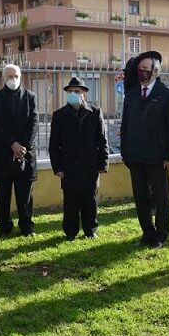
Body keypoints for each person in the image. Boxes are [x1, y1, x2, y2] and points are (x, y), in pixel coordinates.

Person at [120, 51, 169, 248]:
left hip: (158, 156)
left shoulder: (166, 94)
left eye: (146, 70)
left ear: (155, 71)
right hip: (135, 156)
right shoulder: (131, 95)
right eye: (140, 70)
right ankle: (147, 233)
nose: (142, 73)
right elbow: (125, 125)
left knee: (161, 197)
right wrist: (125, 151)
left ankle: (160, 235)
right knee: (140, 197)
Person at [48, 77, 109, 240]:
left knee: (90, 199)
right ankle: (70, 231)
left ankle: (90, 229)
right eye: (70, 92)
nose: (73, 94)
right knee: (71, 201)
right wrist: (58, 167)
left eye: (77, 91)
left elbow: (102, 140)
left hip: (90, 164)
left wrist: (103, 163)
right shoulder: (59, 115)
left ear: (84, 94)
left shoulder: (95, 113)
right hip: (68, 166)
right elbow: (54, 144)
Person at [0, 64, 37, 237]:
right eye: (9, 76)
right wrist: (12, 144)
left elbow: (34, 123)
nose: (13, 79)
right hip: (3, 153)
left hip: (25, 153)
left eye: (16, 76)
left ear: (21, 76)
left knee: (26, 194)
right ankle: (4, 227)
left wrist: (22, 146)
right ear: (3, 78)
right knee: (3, 194)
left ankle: (27, 227)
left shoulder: (30, 97)